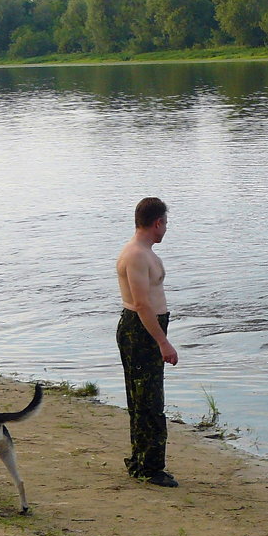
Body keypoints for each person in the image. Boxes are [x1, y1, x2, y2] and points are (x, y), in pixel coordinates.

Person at [116, 197, 179, 488]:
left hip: (146, 328)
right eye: (165, 223)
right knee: (149, 400)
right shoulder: (137, 255)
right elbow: (142, 304)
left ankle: (142, 461)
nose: (166, 229)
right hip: (140, 331)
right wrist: (163, 343)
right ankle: (150, 468)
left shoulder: (144, 252)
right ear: (158, 223)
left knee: (144, 398)